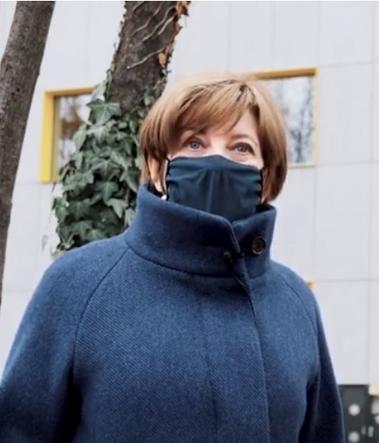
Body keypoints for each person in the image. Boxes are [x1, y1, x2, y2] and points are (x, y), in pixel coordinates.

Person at [0, 73, 344, 442]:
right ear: (156, 167)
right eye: (194, 143)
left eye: (241, 147)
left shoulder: (294, 301)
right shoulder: (78, 285)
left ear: (268, 177)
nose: (217, 160)